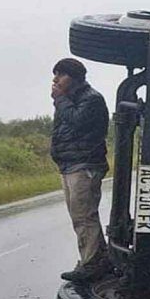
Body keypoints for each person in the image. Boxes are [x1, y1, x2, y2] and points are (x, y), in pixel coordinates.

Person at [50, 58, 111, 282]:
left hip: (84, 165)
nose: (55, 79)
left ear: (75, 77)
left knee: (84, 216)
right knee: (78, 216)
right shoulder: (68, 100)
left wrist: (60, 101)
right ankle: (97, 258)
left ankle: (91, 263)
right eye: (55, 74)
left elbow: (77, 122)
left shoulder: (91, 99)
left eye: (61, 74)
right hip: (68, 165)